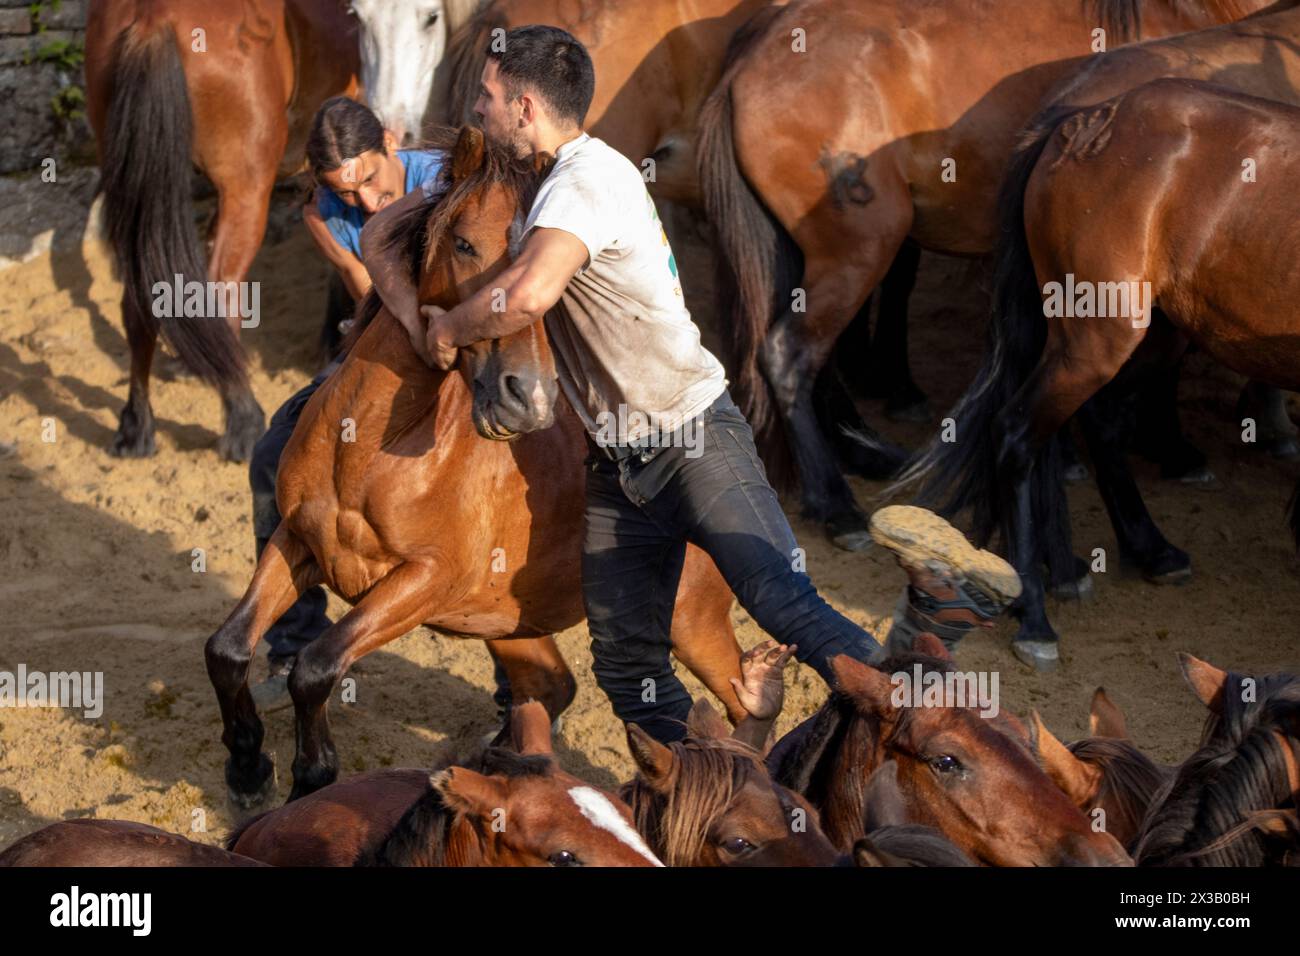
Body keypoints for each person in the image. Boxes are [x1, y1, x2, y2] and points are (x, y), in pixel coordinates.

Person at [370, 25, 1024, 743]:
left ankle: (936, 712)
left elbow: (527, 297)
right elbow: (379, 233)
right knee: (626, 666)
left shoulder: (585, 182)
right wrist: (410, 306)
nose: (477, 109)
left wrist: (445, 329)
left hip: (691, 437)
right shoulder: (530, 183)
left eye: (488, 98)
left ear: (525, 108)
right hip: (619, 469)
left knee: (784, 602)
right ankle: (714, 789)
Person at [247, 97, 451, 710]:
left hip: (465, 340)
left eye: (369, 179)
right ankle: (292, 644)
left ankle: (516, 690)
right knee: (271, 456)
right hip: (384, 342)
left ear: (391, 142)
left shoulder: (444, 178)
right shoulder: (323, 215)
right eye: (344, 190)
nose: (362, 202)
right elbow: (372, 304)